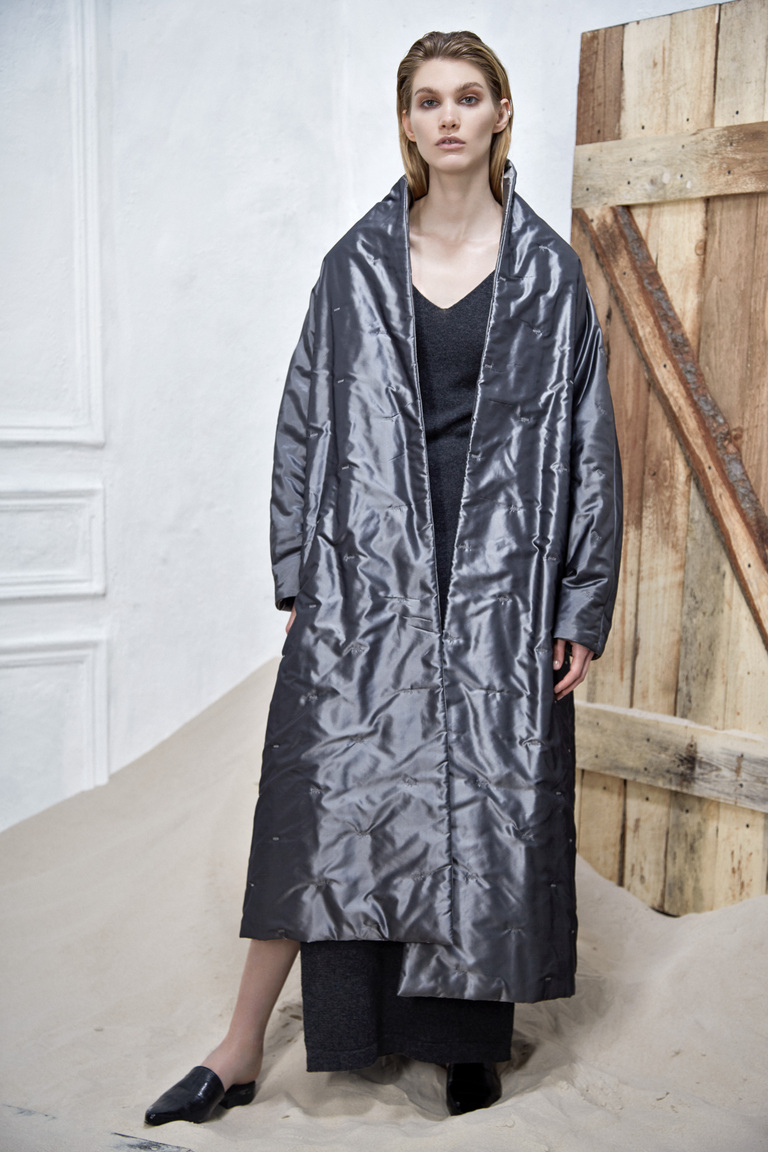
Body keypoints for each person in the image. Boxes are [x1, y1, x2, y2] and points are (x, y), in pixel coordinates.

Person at [144, 29, 622, 1126]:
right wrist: (299, 577)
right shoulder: (355, 265)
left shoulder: (549, 275)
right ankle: (239, 1046)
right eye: (429, 100)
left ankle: (463, 1047)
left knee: (484, 802)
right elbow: (302, 422)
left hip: (503, 575)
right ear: (406, 122)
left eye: (469, 96)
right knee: (324, 799)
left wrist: (579, 599)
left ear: (502, 113)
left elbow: (591, 446)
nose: (449, 116)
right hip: (369, 572)